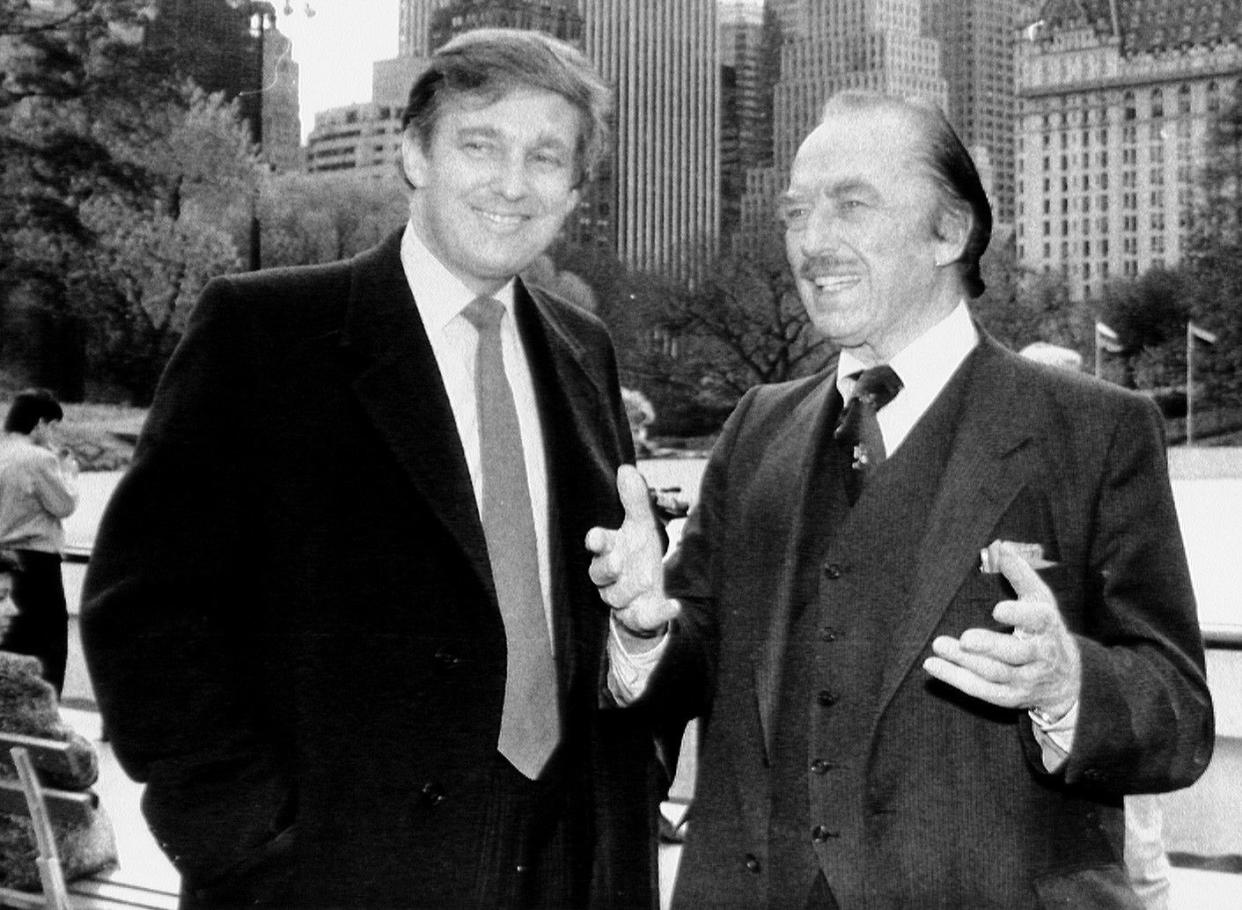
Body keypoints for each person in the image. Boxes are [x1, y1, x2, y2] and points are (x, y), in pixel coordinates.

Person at [587, 91, 1214, 908]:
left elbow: (1180, 713)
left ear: (950, 231)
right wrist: (641, 632)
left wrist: (1066, 688)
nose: (812, 242)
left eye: (852, 204)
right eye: (796, 213)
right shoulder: (756, 428)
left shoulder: (1094, 431)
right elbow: (697, 654)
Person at [82, 29, 663, 910]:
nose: (513, 183)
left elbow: (598, 610)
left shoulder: (587, 351)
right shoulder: (266, 334)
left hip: (561, 867)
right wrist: (253, 846)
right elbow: (147, 616)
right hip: (335, 874)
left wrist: (634, 646)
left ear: (576, 190)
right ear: (415, 154)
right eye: (481, 144)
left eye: (547, 157)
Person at [0, 550, 118, 892]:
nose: (13, 609)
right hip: (19, 856)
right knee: (95, 823)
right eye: (1, 598)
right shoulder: (14, 679)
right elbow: (78, 767)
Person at [0, 389, 78, 696]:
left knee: (11, 642)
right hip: (37, 559)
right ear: (40, 424)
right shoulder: (41, 459)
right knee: (48, 645)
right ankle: (44, 717)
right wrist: (69, 472)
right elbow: (64, 505)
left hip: (3, 558)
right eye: (52, 426)